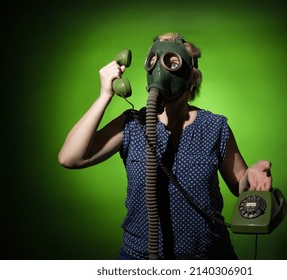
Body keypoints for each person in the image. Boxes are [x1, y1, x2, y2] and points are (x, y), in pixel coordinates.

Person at [58, 32, 272, 260]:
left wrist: (251, 174)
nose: (161, 70)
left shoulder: (215, 126)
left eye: (173, 62)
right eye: (153, 61)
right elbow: (70, 157)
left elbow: (241, 185)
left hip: (208, 258)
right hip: (140, 258)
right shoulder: (132, 124)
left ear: (193, 77)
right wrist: (104, 95)